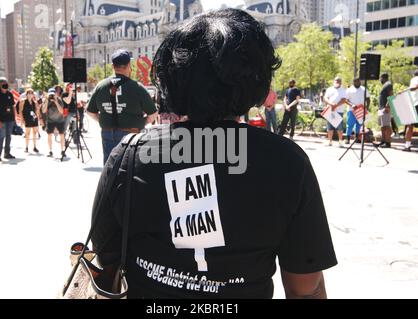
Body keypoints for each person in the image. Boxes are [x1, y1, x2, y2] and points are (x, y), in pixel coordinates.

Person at [91, 9, 337, 299]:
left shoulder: (128, 156)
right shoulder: (287, 162)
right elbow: (305, 288)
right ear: (258, 79)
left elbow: (105, 264)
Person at [87, 49, 158, 164]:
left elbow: (90, 112)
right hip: (131, 135)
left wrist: (104, 120)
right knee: (129, 168)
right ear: (129, 65)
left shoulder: (100, 86)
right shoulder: (137, 88)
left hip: (107, 133)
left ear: (112, 66)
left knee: (110, 168)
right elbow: (153, 114)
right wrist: (142, 123)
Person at [0, 78, 16, 161]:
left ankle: (7, 153)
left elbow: (13, 106)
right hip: (1, 120)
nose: (5, 85)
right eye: (3, 84)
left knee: (9, 137)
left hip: (10, 119)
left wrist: (14, 118)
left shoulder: (10, 94)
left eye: (6, 83)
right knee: (1, 137)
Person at [345, 78, 371, 144]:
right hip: (351, 110)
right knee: (350, 124)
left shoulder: (364, 89)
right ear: (353, 82)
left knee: (359, 124)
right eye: (356, 81)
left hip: (361, 110)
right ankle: (347, 139)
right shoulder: (349, 90)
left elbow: (368, 99)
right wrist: (352, 105)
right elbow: (346, 100)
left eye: (359, 81)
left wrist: (366, 108)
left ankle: (357, 138)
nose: (358, 82)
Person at [42, 88, 66, 158]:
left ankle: (62, 150)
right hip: (50, 120)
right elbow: (43, 111)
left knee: (62, 135)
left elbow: (61, 111)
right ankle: (50, 151)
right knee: (49, 135)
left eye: (53, 94)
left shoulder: (59, 100)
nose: (52, 96)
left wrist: (56, 102)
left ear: (55, 94)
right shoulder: (46, 100)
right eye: (50, 95)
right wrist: (46, 101)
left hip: (60, 120)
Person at [324, 77, 347, 147]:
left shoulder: (343, 90)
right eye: (336, 81)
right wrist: (331, 104)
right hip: (330, 110)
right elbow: (325, 98)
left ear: (341, 82)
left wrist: (336, 105)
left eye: (339, 81)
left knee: (339, 127)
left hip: (339, 111)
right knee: (329, 127)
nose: (337, 82)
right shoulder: (329, 89)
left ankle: (340, 141)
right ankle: (330, 141)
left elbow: (343, 100)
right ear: (334, 81)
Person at [19, 88, 40, 153]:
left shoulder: (35, 102)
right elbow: (20, 111)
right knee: (27, 133)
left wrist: (38, 120)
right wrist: (22, 121)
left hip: (34, 119)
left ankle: (34, 147)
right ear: (26, 94)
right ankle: (26, 147)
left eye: (31, 93)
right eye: (29, 93)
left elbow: (37, 111)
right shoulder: (23, 101)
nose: (30, 94)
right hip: (27, 119)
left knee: (35, 133)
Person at [403, 70, 418, 152]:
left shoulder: (414, 79)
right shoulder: (414, 79)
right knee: (409, 126)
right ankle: (407, 146)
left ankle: (407, 146)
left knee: (410, 126)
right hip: (414, 104)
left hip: (415, 104)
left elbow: (414, 87)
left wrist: (405, 90)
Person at [378, 73, 394, 149]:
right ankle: (383, 141)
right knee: (382, 126)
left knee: (386, 126)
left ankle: (388, 143)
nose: (380, 80)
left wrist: (387, 105)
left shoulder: (388, 84)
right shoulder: (386, 85)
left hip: (385, 108)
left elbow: (391, 95)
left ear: (383, 78)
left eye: (380, 78)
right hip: (381, 108)